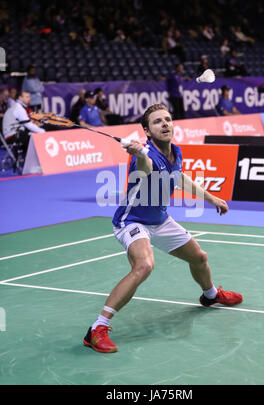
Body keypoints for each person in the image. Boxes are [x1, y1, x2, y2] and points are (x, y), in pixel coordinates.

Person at [83, 103, 243, 353]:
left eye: (168, 119)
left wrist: (210, 198)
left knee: (199, 257)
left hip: (160, 219)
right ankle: (97, 329)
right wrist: (138, 154)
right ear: (146, 130)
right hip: (132, 221)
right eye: (157, 121)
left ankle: (210, 296)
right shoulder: (144, 156)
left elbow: (177, 177)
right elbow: (147, 169)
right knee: (144, 265)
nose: (165, 124)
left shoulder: (175, 152)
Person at [2, 90, 45, 157]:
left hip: (16, 133)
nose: (29, 98)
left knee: (33, 134)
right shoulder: (18, 108)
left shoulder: (20, 107)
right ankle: (32, 160)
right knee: (35, 136)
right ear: (20, 98)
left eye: (29, 97)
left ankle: (29, 159)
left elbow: (28, 123)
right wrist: (43, 132)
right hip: (12, 136)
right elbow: (28, 124)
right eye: (27, 97)